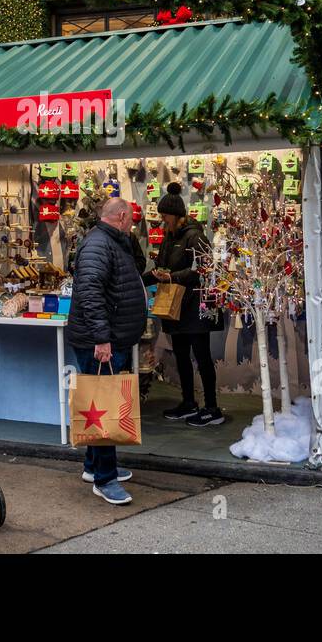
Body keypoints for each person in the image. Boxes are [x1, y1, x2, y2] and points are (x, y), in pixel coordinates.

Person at [66, 197, 148, 506]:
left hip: (112, 338)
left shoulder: (115, 241)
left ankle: (94, 466)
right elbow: (90, 291)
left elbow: (132, 273)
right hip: (100, 341)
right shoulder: (99, 244)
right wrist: (102, 339)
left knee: (103, 402)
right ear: (123, 216)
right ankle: (105, 478)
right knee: (103, 406)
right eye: (132, 219)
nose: (133, 224)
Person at [145, 183, 223, 426]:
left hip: (195, 307)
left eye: (165, 215)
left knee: (202, 357)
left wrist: (173, 277)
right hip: (175, 307)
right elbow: (163, 267)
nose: (162, 220)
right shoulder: (169, 237)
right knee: (180, 355)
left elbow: (205, 270)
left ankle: (212, 408)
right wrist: (142, 278)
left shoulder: (195, 236)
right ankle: (189, 403)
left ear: (176, 215)